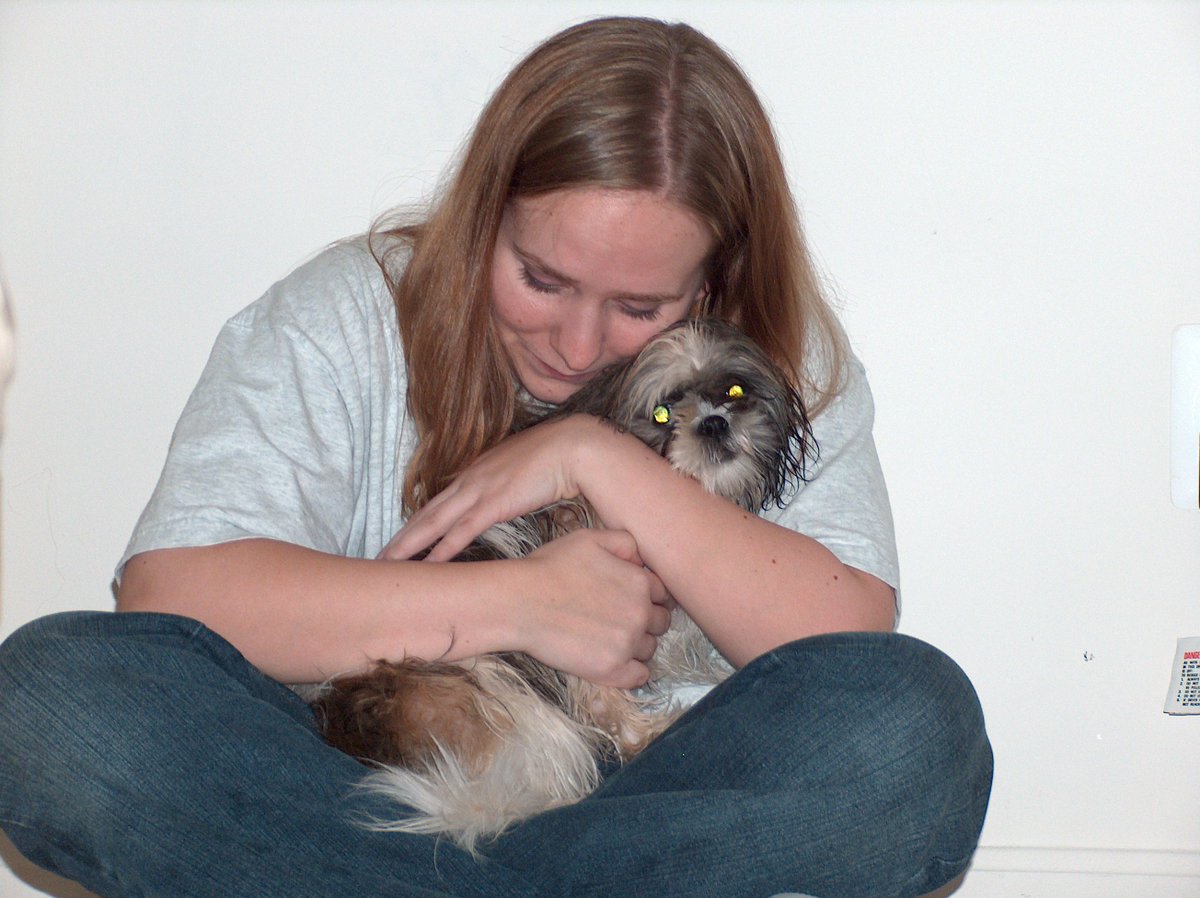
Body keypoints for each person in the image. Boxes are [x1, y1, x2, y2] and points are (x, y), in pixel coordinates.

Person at [0, 17, 991, 898]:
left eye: (638, 306)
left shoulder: (778, 365)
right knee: (49, 699)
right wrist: (520, 603)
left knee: (908, 729)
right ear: (483, 220)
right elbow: (175, 599)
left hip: (663, 793)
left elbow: (844, 647)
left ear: (712, 281)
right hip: (358, 782)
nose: (576, 344)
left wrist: (593, 457)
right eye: (542, 279)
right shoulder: (342, 313)